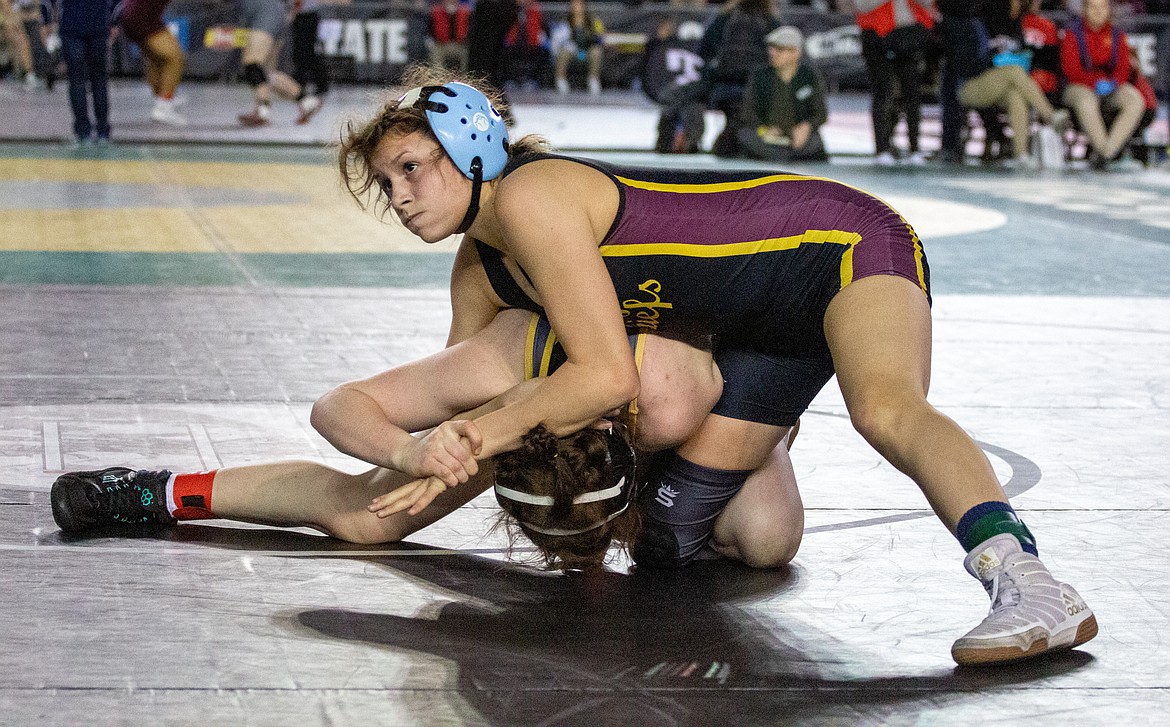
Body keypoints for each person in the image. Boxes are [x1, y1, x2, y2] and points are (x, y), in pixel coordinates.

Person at [334, 66, 1096, 666]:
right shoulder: (482, 260)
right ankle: (771, 443)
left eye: (411, 168)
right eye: (388, 183)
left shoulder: (532, 197)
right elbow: (464, 409)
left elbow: (602, 378)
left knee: (885, 407)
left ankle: (1026, 579)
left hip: (838, 247)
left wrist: (482, 435)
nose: (399, 198)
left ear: (471, 145)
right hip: (759, 335)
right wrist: (386, 487)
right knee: (696, 537)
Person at [49, 307, 805, 572]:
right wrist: (408, 451)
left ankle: (693, 487)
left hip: (692, 402)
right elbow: (336, 406)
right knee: (359, 518)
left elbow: (759, 375)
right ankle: (159, 490)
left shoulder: (670, 384)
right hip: (532, 411)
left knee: (768, 538)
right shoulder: (507, 358)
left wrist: (760, 434)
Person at [938, 0, 1070, 169]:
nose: (1016, 5)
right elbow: (965, 64)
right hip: (966, 86)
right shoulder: (969, 21)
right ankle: (1050, 116)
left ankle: (1020, 155)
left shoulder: (1015, 24)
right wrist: (994, 61)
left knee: (1015, 96)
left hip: (993, 83)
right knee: (1014, 71)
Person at [841, 0, 936, 166]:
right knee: (883, 93)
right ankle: (882, 149)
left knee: (912, 94)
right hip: (876, 37)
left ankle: (915, 148)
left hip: (908, 36)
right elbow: (861, 5)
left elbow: (928, 2)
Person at [1060, 0, 1145, 168]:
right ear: (1084, 10)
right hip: (1079, 86)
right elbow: (1071, 70)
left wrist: (1114, 83)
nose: (1098, 11)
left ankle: (1109, 151)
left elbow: (1123, 67)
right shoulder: (1073, 34)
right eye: (1093, 7)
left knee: (1135, 99)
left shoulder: (1117, 35)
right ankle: (1104, 151)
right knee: (1086, 101)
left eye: (1102, 7)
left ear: (1108, 10)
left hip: (1110, 86)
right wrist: (1094, 83)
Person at [735, 25, 829, 163]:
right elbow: (747, 111)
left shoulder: (809, 76)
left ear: (795, 53)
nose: (772, 53)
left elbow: (820, 113)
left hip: (796, 136)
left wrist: (806, 126)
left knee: (814, 143)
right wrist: (763, 130)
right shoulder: (759, 75)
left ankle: (786, 154)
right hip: (766, 135)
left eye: (779, 49)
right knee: (745, 136)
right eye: (771, 48)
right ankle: (787, 156)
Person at [39, 0, 114, 144]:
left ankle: (83, 131)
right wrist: (114, 20)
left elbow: (47, 2)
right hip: (97, 22)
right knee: (99, 79)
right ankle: (103, 131)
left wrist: (46, 20)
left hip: (71, 23)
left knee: (76, 79)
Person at [237, 0, 322, 127]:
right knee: (267, 74)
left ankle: (262, 111)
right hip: (274, 13)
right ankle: (308, 101)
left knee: (253, 65)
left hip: (264, 12)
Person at [117, 0, 186, 126]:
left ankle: (162, 99)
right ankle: (163, 107)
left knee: (157, 59)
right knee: (175, 58)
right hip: (142, 17)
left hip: (130, 15)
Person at [552, 0, 603, 96]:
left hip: (586, 52)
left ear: (584, 7)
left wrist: (591, 40)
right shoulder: (565, 22)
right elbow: (558, 40)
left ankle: (593, 79)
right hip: (573, 53)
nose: (576, 7)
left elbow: (600, 37)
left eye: (579, 5)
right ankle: (560, 79)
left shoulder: (593, 21)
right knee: (565, 51)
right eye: (574, 5)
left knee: (596, 51)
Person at [290, 0, 335, 106]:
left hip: (305, 15)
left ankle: (305, 83)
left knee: (305, 52)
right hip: (303, 15)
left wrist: (294, 11)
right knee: (302, 52)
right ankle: (304, 83)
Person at [428, 0, 471, 72]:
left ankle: (464, 77)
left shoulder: (465, 12)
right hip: (441, 45)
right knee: (435, 53)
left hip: (459, 45)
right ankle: (438, 78)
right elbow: (430, 29)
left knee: (466, 54)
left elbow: (469, 29)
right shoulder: (435, 11)